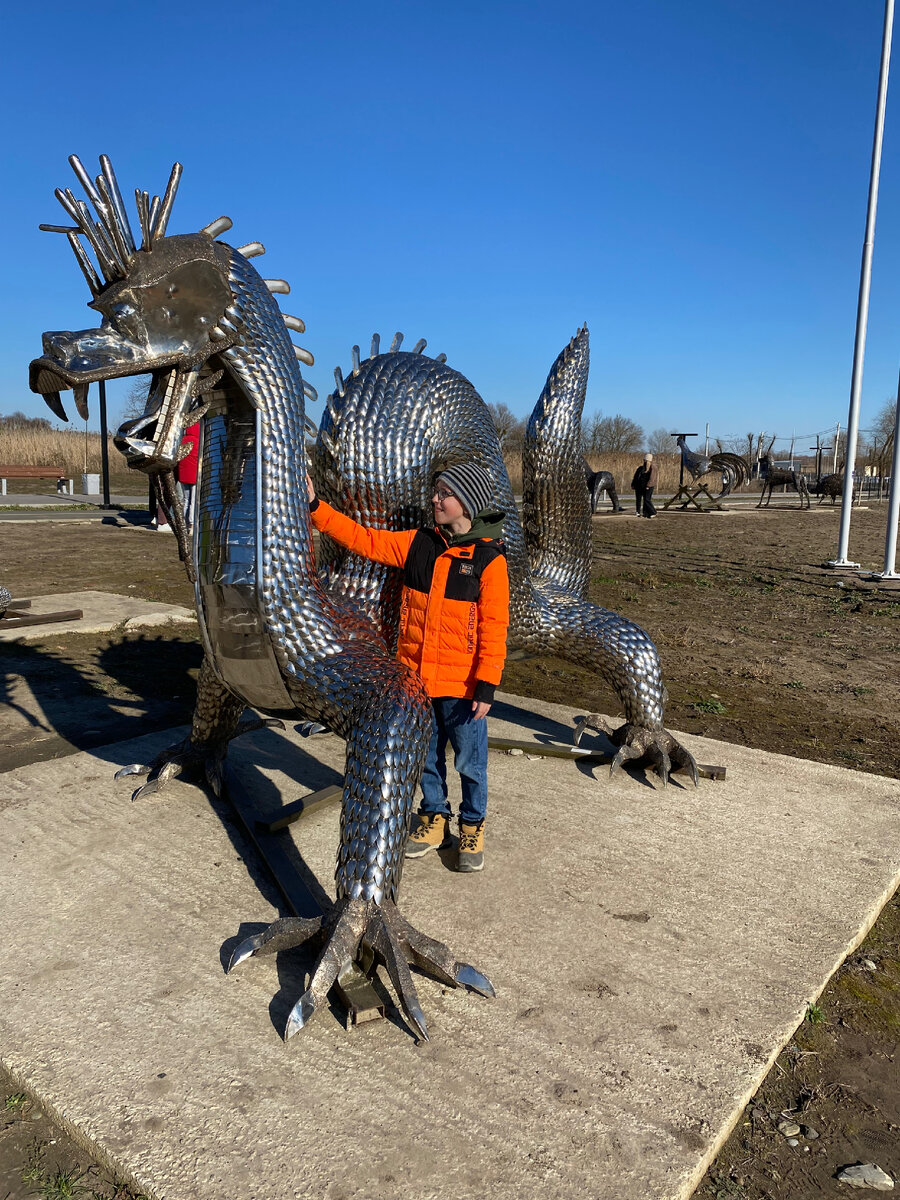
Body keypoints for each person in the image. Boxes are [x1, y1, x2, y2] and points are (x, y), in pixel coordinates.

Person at [306, 464, 509, 873]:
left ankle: (472, 826)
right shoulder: (418, 544)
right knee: (426, 757)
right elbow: (363, 540)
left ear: (465, 503)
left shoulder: (488, 559)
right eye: (435, 491)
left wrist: (486, 684)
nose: (435, 499)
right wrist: (315, 507)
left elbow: (495, 626)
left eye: (444, 493)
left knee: (470, 761)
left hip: (463, 686)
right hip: (415, 679)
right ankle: (434, 818)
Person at [631, 453, 658, 518]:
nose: (644, 462)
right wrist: (633, 484)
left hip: (648, 486)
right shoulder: (641, 468)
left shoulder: (653, 467)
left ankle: (653, 512)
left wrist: (648, 485)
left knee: (647, 500)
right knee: (640, 499)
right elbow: (636, 477)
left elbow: (652, 477)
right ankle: (644, 512)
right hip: (640, 486)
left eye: (645, 460)